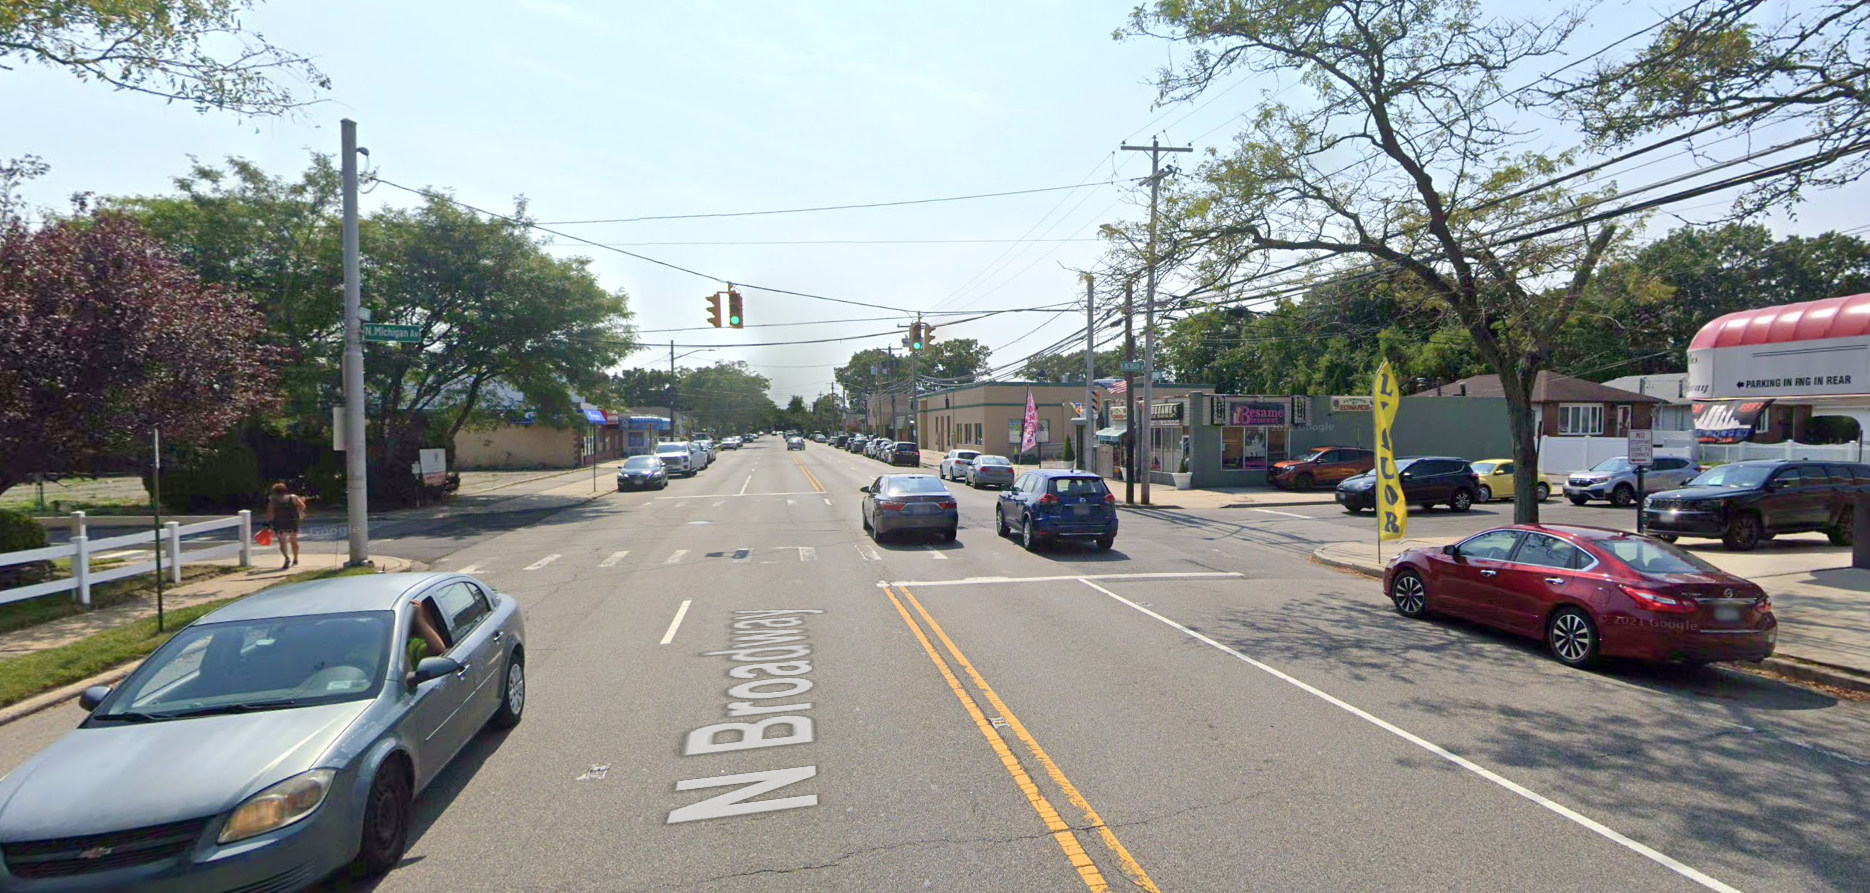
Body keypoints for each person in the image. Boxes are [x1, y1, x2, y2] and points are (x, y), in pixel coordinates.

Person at [264, 482, 307, 569]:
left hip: (279, 523)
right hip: (292, 522)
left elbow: (270, 513)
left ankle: (287, 557)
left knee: (282, 543)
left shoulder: (273, 500)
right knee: (293, 541)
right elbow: (303, 506)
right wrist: (298, 510)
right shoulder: (293, 497)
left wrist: (267, 523)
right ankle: (295, 558)